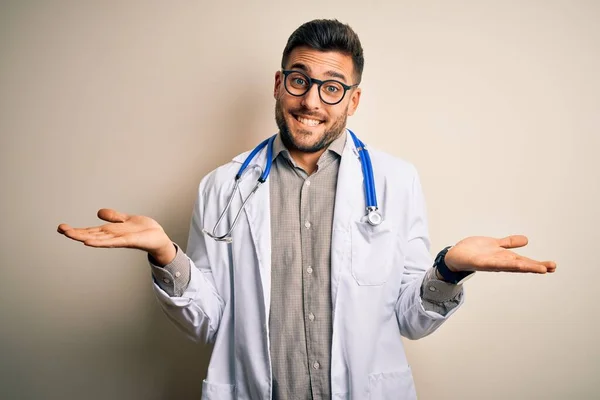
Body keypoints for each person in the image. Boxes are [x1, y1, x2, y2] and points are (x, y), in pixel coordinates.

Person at [57, 19, 556, 400]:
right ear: (279, 84)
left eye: (332, 87)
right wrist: (166, 256)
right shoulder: (222, 187)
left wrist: (450, 268)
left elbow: (410, 319)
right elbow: (206, 322)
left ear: (353, 100)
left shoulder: (395, 182)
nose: (311, 100)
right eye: (299, 80)